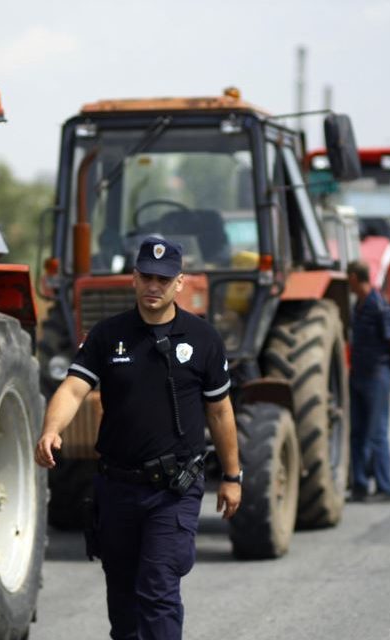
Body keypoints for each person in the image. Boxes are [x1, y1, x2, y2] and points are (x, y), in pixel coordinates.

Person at [35, 237, 242, 640]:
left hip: (173, 490)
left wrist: (232, 476)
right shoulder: (108, 335)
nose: (154, 286)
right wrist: (51, 430)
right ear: (134, 279)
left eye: (163, 279)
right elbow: (74, 388)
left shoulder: (203, 339)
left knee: (158, 588)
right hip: (116, 487)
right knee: (124, 598)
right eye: (147, 276)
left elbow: (220, 411)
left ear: (179, 283)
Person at [346, 260, 390, 503]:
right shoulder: (357, 306)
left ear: (353, 278)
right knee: (357, 433)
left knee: (378, 434)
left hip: (377, 376)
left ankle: (385, 487)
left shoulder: (378, 306)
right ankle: (359, 484)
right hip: (359, 375)